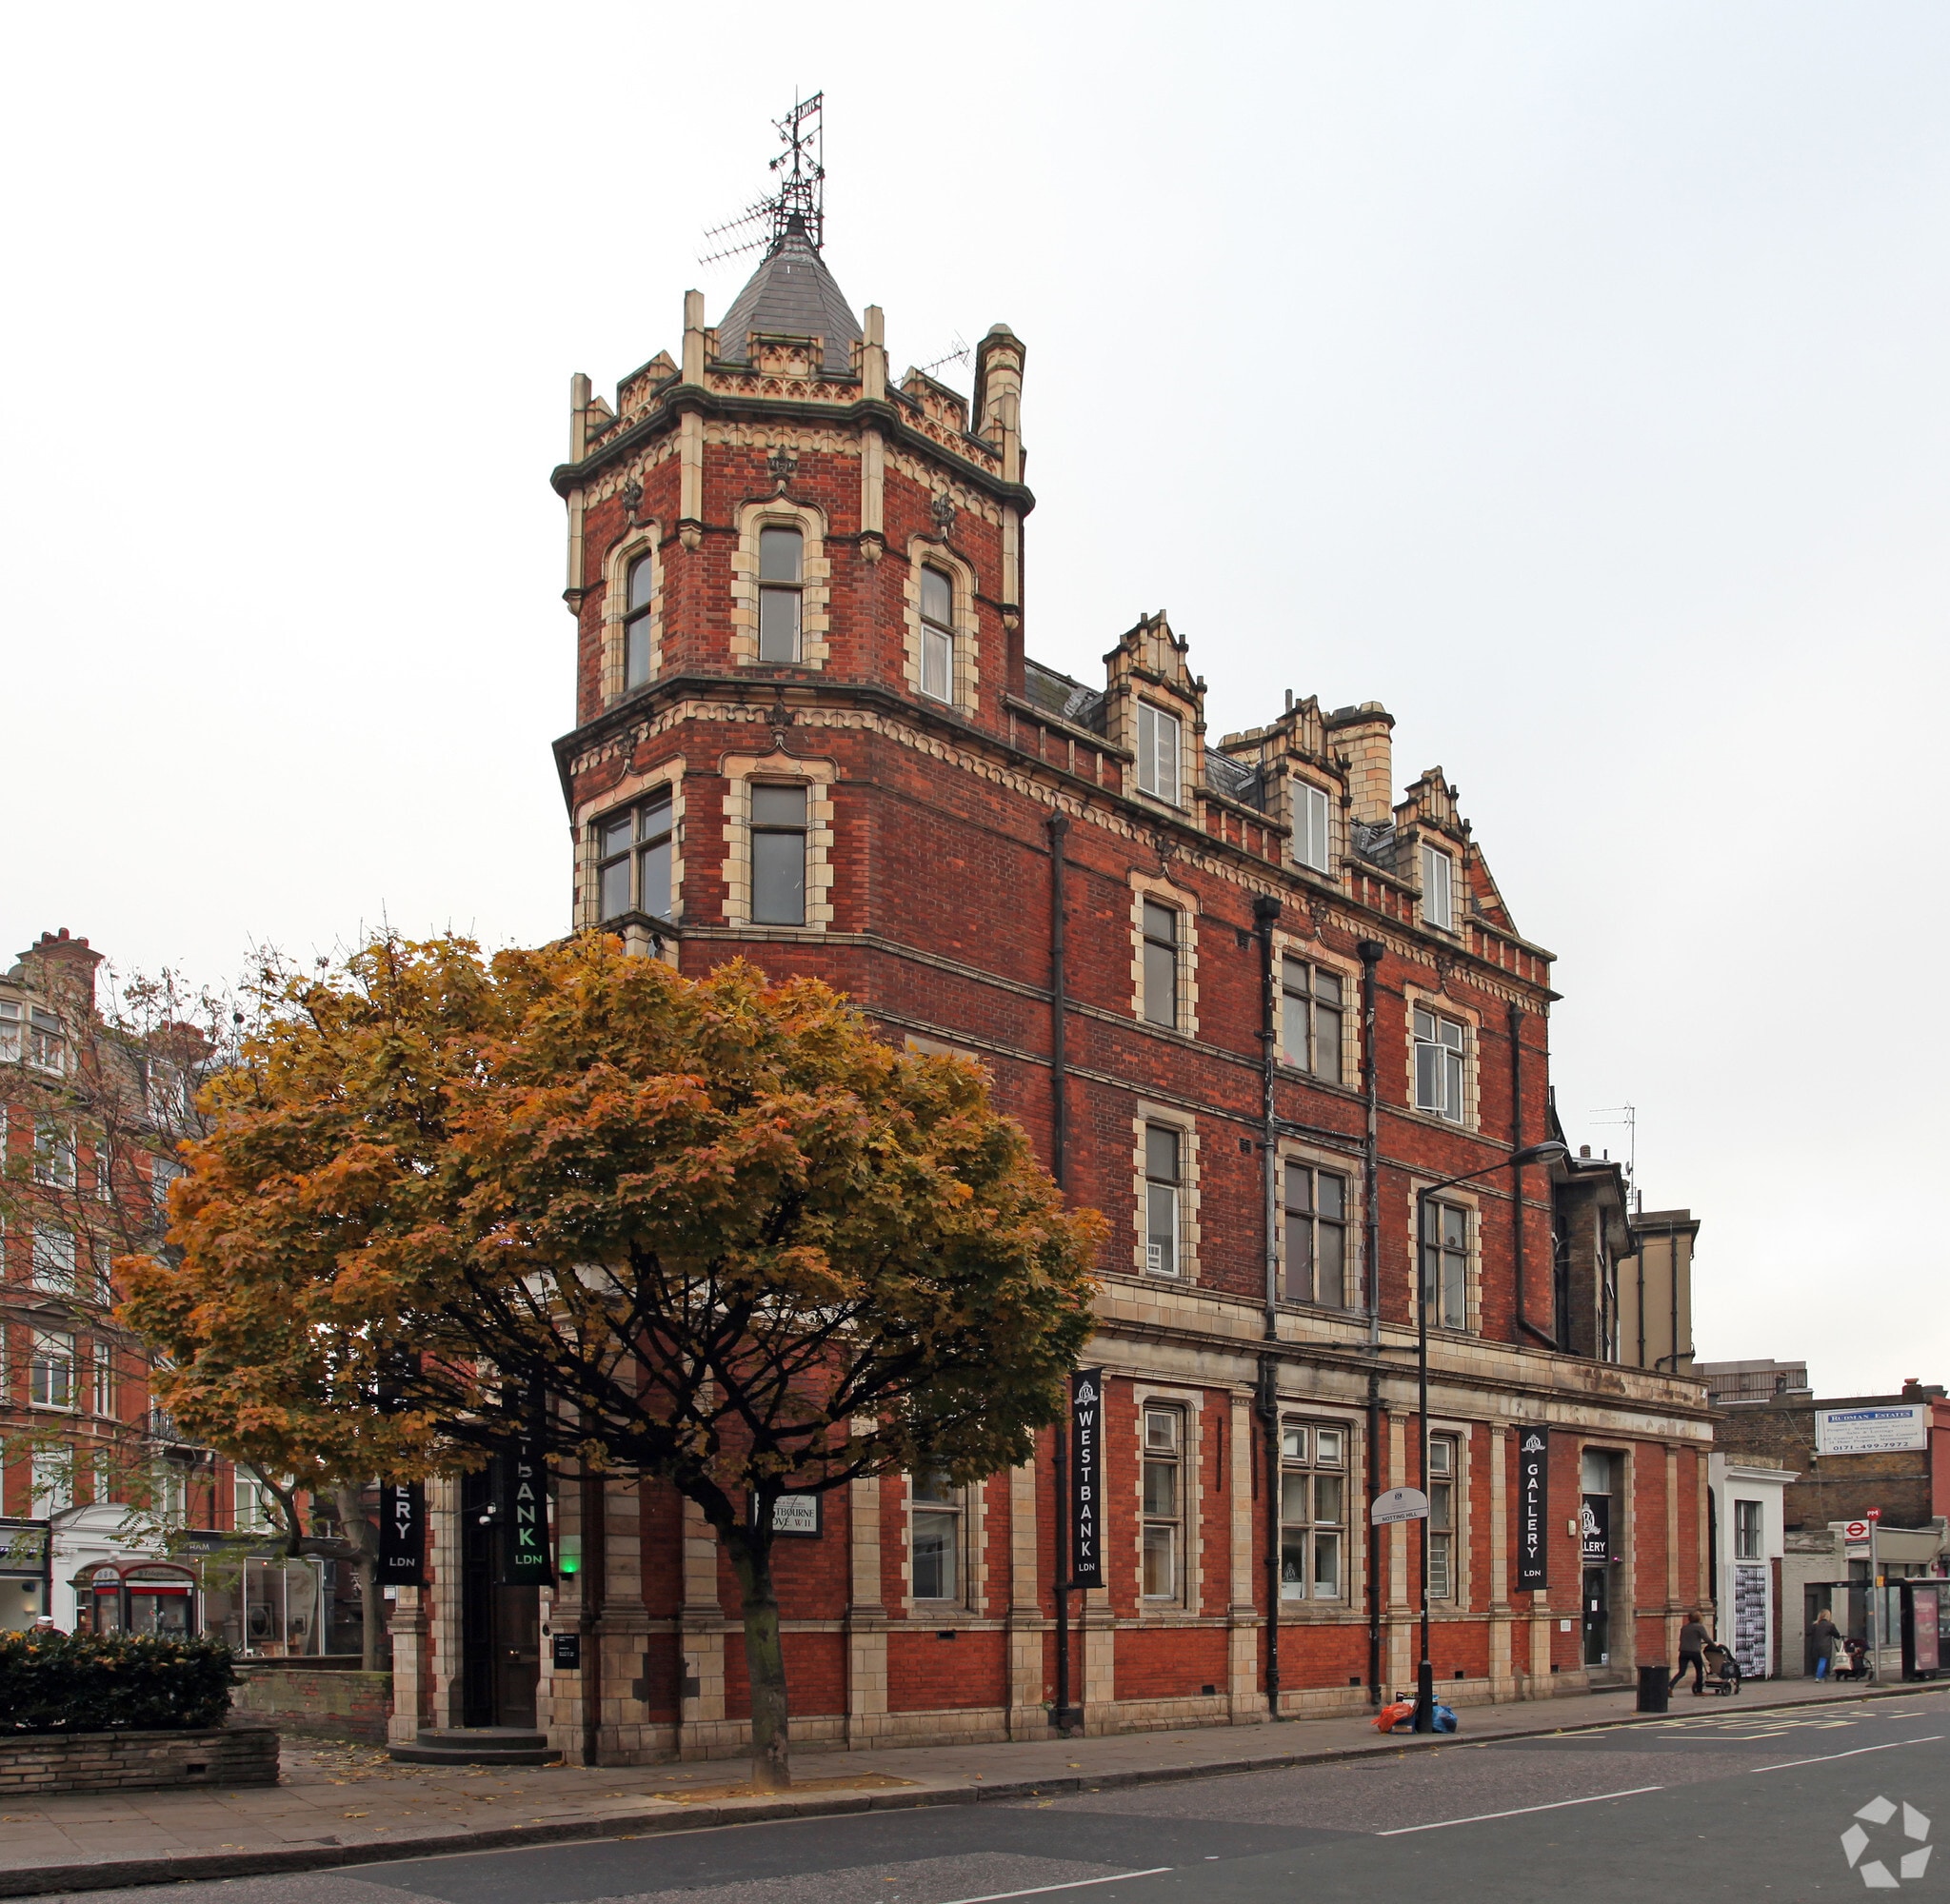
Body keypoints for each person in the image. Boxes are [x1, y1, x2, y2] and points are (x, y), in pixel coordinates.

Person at [1671, 1611, 1711, 1694]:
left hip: (1683, 1651)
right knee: (1699, 1671)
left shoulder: (1684, 1628)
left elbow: (1682, 1639)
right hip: (1694, 1651)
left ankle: (1670, 1686)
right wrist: (1714, 1646)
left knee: (1681, 1672)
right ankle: (1699, 1691)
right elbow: (1707, 1639)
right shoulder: (1699, 1627)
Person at [1811, 1608, 1840, 1680]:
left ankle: (1823, 1675)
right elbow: (1837, 1635)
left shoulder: (1815, 1625)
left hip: (1815, 1645)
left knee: (1817, 1661)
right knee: (1823, 1660)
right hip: (1825, 1646)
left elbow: (1808, 1633)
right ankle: (1818, 1676)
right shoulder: (1830, 1625)